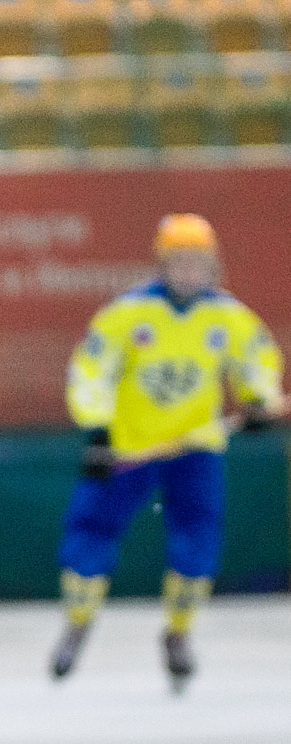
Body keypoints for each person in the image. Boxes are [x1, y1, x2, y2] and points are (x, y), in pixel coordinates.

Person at [49, 213, 284, 691]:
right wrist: (96, 428)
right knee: (91, 530)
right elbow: (91, 368)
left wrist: (259, 398)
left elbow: (257, 359)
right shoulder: (127, 313)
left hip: (195, 447)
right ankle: (78, 622)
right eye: (178, 262)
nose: (188, 272)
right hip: (130, 446)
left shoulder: (229, 317)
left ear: (213, 264)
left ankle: (178, 634)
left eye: (197, 262)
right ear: (161, 263)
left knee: (197, 539)